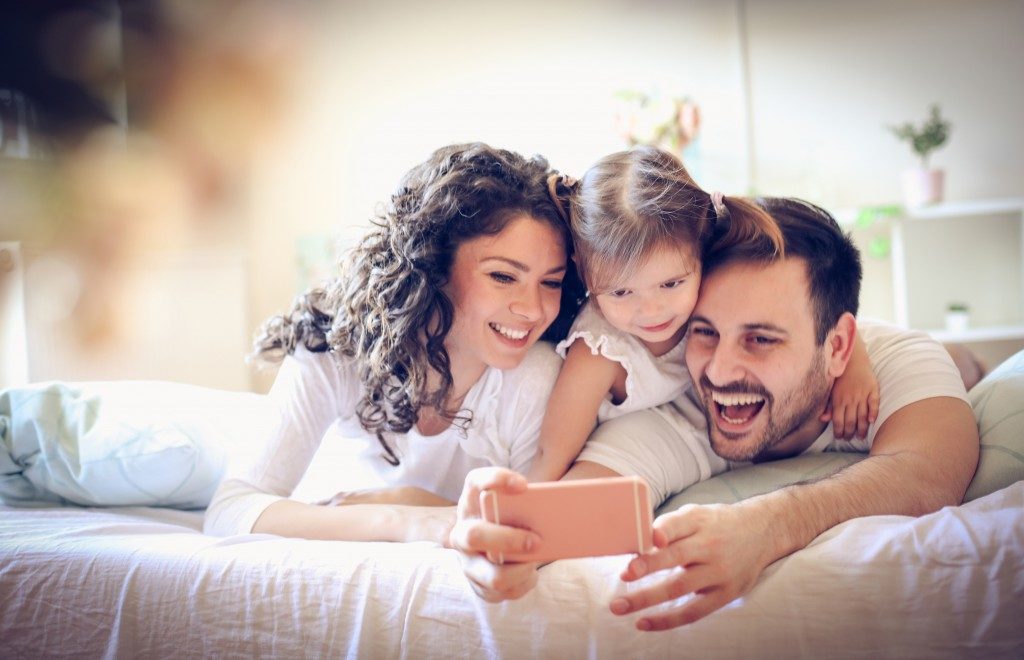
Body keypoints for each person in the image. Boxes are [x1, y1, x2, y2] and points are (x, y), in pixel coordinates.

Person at [451, 197, 980, 629]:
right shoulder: (675, 410)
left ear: (839, 345)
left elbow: (929, 473)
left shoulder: (893, 359)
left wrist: (766, 526)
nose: (720, 370)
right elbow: (564, 512)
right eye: (702, 332)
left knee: (965, 367)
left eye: (761, 339)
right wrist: (494, 546)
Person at [203, 142, 585, 543]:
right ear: (434, 265)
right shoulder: (334, 350)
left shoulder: (538, 375)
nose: (532, 309)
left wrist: (413, 500)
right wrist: (400, 520)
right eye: (503, 277)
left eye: (551, 282)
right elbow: (230, 511)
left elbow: (530, 526)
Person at [528, 148, 878, 482]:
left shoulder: (704, 289)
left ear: (701, 251)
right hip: (591, 445)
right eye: (620, 292)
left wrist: (853, 371)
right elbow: (551, 452)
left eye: (670, 283)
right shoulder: (600, 352)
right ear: (586, 275)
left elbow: (827, 321)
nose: (651, 311)